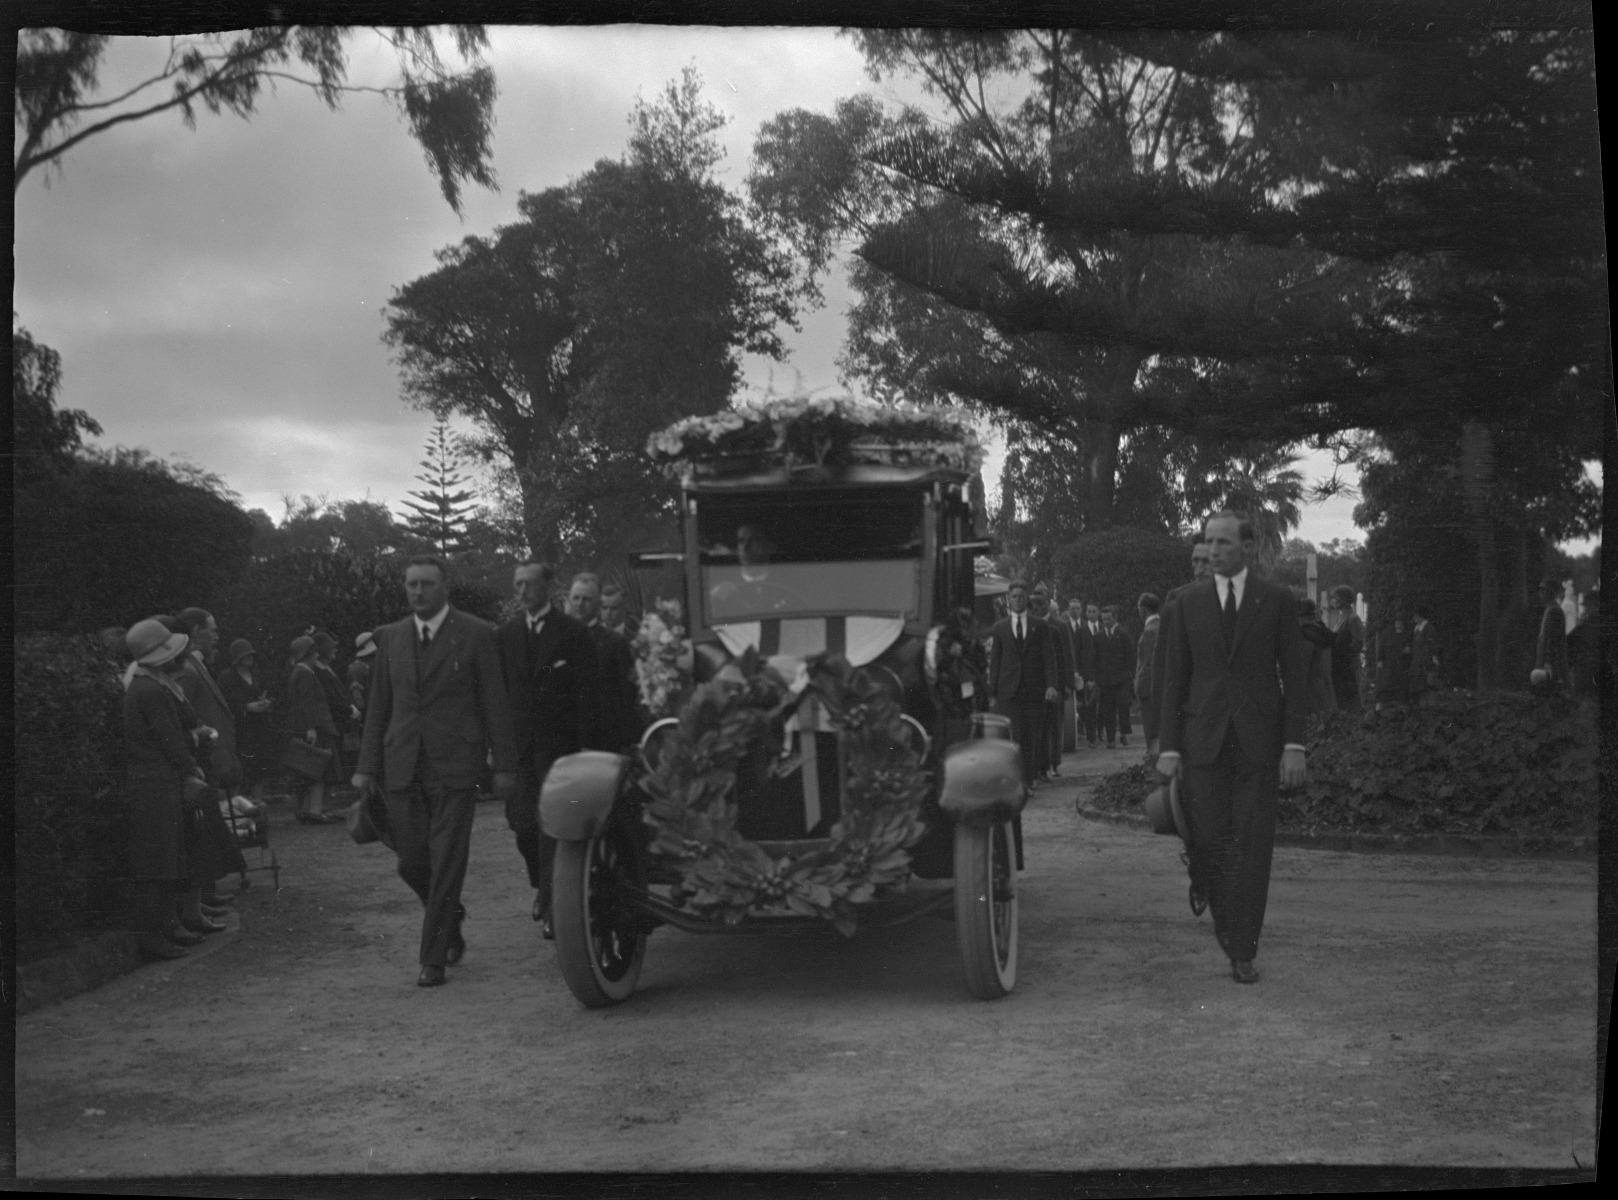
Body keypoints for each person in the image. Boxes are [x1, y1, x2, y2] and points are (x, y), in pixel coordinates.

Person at [1157, 511, 1308, 985]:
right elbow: (1174, 680)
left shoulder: (1278, 601)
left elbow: (1296, 678)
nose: (1214, 550)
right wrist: (1169, 747)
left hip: (1258, 743)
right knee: (1208, 842)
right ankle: (1217, 904)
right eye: (1208, 542)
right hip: (1203, 742)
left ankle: (1243, 947)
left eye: (1223, 543)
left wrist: (1294, 744)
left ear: (1247, 547)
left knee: (1252, 846)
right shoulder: (1185, 604)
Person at [353, 556, 517, 988]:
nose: (418, 592)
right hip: (402, 763)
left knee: (447, 858)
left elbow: (495, 704)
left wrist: (503, 764)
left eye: (426, 584)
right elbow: (378, 707)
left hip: (455, 765)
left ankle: (433, 958)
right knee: (411, 862)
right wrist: (366, 767)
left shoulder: (478, 635)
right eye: (411, 585)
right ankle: (450, 916)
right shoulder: (390, 638)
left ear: (445, 588)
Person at [498, 561, 599, 933]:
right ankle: (543, 887)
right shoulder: (506, 635)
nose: (522, 591)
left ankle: (555, 905)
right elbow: (502, 695)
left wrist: (586, 751)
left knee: (552, 828)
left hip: (561, 752)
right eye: (517, 584)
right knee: (524, 827)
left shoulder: (571, 633)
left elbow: (587, 698)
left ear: (547, 587)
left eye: (529, 584)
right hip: (522, 751)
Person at [121, 619, 213, 960]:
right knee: (159, 861)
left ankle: (165, 928)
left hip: (151, 783)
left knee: (163, 858)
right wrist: (191, 769)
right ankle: (154, 936)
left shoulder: (143, 686)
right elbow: (170, 740)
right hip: (156, 785)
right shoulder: (152, 691)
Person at [987, 580, 1060, 789]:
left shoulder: (1040, 626)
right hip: (1009, 691)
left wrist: (1051, 685)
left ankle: (1029, 779)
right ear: (1008, 600)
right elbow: (995, 661)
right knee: (1014, 736)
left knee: (1032, 736)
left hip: (1034, 689)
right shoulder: (1000, 628)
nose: (1018, 600)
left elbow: (1049, 657)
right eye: (1014, 597)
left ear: (1026, 599)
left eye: (1021, 596)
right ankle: (1017, 780)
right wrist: (992, 691)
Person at [569, 571, 641, 753]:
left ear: (597, 604)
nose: (580, 604)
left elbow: (625, 697)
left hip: (602, 741)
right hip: (564, 739)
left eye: (586, 599)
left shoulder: (615, 643)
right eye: (575, 598)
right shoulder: (555, 639)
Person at [286, 634, 343, 824]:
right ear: (307, 654)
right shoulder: (304, 673)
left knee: (312, 771)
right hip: (316, 727)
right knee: (319, 770)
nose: (317, 655)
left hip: (313, 726)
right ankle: (315, 811)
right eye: (314, 652)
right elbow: (307, 702)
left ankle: (308, 810)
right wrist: (311, 727)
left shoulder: (300, 672)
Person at [219, 639, 276, 799]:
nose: (250, 657)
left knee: (260, 768)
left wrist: (266, 703)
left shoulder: (256, 674)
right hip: (241, 729)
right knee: (244, 768)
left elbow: (269, 693)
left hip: (260, 728)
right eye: (246, 655)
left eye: (251, 654)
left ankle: (258, 803)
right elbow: (225, 703)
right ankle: (244, 803)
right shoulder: (227, 677)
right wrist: (246, 707)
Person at [1030, 584, 1072, 778]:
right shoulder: (1030, 626)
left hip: (1057, 684)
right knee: (1040, 726)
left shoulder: (1059, 626)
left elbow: (1066, 657)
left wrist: (1067, 685)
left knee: (1054, 725)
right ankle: (1041, 764)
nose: (1038, 607)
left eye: (1042, 603)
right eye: (1035, 604)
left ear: (1048, 604)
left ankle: (1054, 763)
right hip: (1037, 684)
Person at [1095, 604, 1134, 748]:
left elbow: (1130, 656)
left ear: (1115, 618)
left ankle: (1123, 734)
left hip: (1122, 678)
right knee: (1108, 709)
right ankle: (1111, 739)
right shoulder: (1098, 637)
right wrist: (1096, 678)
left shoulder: (1123, 634)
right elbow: (1095, 658)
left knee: (1123, 705)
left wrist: (1130, 675)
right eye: (1103, 619)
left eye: (1108, 619)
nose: (1105, 622)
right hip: (1105, 680)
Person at [1296, 597, 1338, 718]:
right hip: (1325, 686)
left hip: (1311, 689)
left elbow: (1303, 669)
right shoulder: (1322, 631)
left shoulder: (1306, 636)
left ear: (1301, 617)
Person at [1326, 585, 1365, 711]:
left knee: (1351, 700)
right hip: (1341, 665)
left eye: (1336, 598)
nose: (1333, 601)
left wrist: (1344, 654)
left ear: (1344, 600)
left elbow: (1358, 643)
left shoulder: (1353, 618)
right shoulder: (1341, 617)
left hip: (1349, 666)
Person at [1134, 593, 1162, 754]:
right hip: (1158, 688)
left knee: (1151, 733)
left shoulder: (1150, 631)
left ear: (1143, 610)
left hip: (1150, 690)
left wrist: (1139, 687)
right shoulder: (1162, 626)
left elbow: (1149, 664)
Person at [1073, 601, 1103, 748]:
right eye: (1089, 611)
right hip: (1086, 674)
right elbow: (1077, 653)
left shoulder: (1103, 629)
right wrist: (1078, 672)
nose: (1091, 614)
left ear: (1098, 613)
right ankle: (1092, 738)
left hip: (1102, 674)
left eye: (1094, 611)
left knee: (1103, 706)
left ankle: (1101, 732)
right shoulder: (1081, 631)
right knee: (1089, 707)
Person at [1533, 579, 1570, 695]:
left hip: (1550, 663)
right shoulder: (1549, 609)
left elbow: (1552, 641)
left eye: (1544, 590)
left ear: (1552, 592)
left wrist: (1548, 664)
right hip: (1545, 661)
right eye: (1540, 589)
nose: (1541, 593)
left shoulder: (1555, 611)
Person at [1566, 592, 1600, 698]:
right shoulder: (1583, 627)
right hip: (1585, 671)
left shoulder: (1583, 628)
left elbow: (1568, 647)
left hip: (1585, 672)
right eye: (1587, 606)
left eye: (1589, 606)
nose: (1587, 609)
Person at [1374, 616, 1411, 706]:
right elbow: (1381, 647)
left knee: (1400, 688)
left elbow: (1410, 649)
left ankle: (1400, 708)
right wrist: (1380, 660)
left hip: (1401, 665)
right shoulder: (1387, 634)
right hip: (1388, 665)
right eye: (1396, 621)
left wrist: (1408, 650)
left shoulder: (1407, 635)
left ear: (1403, 623)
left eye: (1400, 621)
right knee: (1384, 686)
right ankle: (1381, 705)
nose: (1397, 623)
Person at [1408, 605, 1440, 703]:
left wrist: (1431, 658)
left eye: (1416, 615)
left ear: (1421, 616)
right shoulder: (1416, 629)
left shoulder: (1429, 628)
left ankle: (1430, 711)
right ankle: (1422, 711)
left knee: (1428, 687)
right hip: (1417, 662)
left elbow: (1432, 645)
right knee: (1419, 688)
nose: (1414, 618)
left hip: (1426, 663)